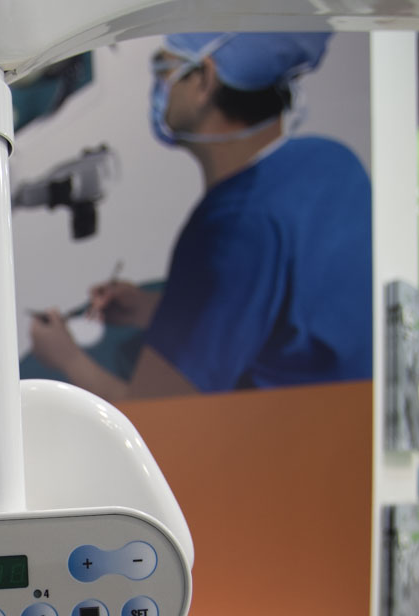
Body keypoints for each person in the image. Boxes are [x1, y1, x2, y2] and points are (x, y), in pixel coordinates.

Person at [27, 32, 371, 400]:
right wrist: (154, 310)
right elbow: (276, 317)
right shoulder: (330, 160)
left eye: (163, 69)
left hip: (284, 431)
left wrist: (67, 358)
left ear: (204, 80)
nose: (158, 86)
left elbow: (160, 414)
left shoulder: (231, 228)